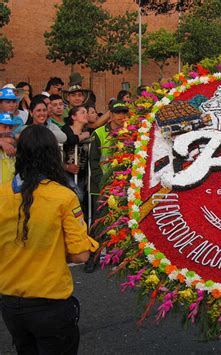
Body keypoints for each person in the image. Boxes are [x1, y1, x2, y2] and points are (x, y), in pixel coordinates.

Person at [0, 125, 98, 354]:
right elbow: (80, 254)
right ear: (54, 155)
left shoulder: (2, 193)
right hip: (50, 301)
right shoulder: (63, 196)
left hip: (10, 302)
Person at [88, 100, 128, 272]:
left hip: (122, 184)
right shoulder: (98, 133)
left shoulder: (130, 132)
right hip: (102, 185)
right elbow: (93, 162)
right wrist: (102, 183)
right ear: (110, 114)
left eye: (124, 113)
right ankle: (92, 257)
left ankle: (116, 255)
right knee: (99, 223)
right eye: (118, 113)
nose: (121, 117)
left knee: (120, 222)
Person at [61, 105, 91, 203]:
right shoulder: (66, 129)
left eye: (86, 112)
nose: (86, 115)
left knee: (82, 199)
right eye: (82, 112)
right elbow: (71, 140)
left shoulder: (87, 130)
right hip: (67, 172)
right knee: (77, 196)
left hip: (82, 173)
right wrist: (84, 136)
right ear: (73, 117)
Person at [0, 112, 18, 183]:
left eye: (10, 128)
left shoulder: (15, 146)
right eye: (4, 127)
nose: (8, 131)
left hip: (9, 192)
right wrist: (1, 142)